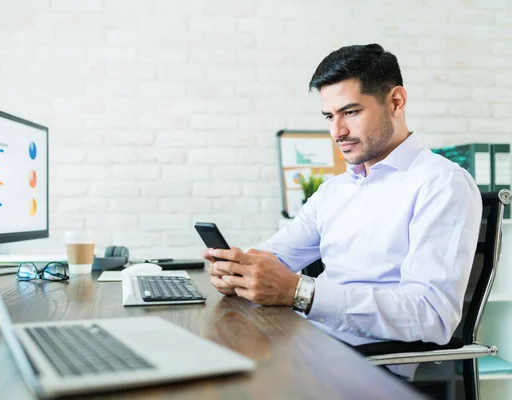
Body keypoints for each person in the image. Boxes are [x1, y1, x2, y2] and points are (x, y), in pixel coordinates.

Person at [202, 43, 482, 379]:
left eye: (350, 112)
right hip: (305, 344)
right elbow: (273, 257)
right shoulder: (334, 191)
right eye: (329, 117)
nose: (337, 132)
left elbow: (432, 316)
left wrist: (299, 292)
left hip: (365, 368)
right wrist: (238, 270)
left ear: (396, 101)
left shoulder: (441, 183)